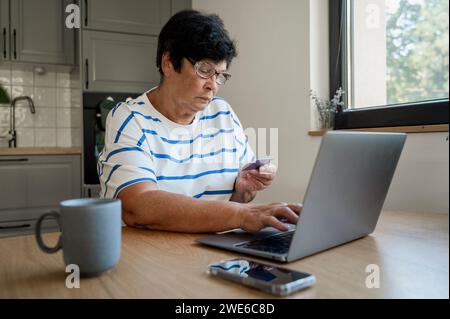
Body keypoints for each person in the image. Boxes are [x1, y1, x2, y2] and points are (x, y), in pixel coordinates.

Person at [98, 10, 301, 233]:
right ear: (168, 63)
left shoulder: (222, 114)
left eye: (220, 75)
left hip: (209, 251)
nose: (212, 85)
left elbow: (234, 205)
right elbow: (138, 206)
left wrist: (242, 191)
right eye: (204, 70)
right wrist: (242, 214)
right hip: (149, 256)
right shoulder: (130, 119)